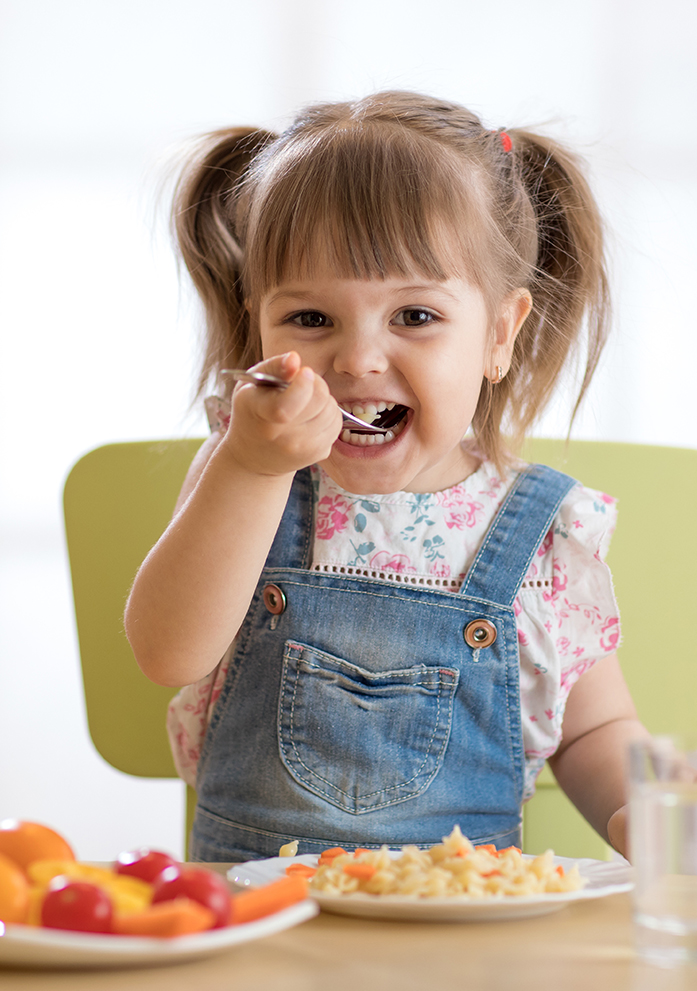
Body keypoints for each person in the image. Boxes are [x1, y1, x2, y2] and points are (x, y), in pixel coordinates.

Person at [124, 91, 649, 862]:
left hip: (460, 949)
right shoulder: (247, 478)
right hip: (259, 933)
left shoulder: (542, 533)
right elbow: (168, 653)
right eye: (310, 319)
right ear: (259, 321)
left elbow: (597, 729)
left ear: (499, 334)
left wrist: (647, 815)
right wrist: (249, 464)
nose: (358, 359)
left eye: (414, 316)